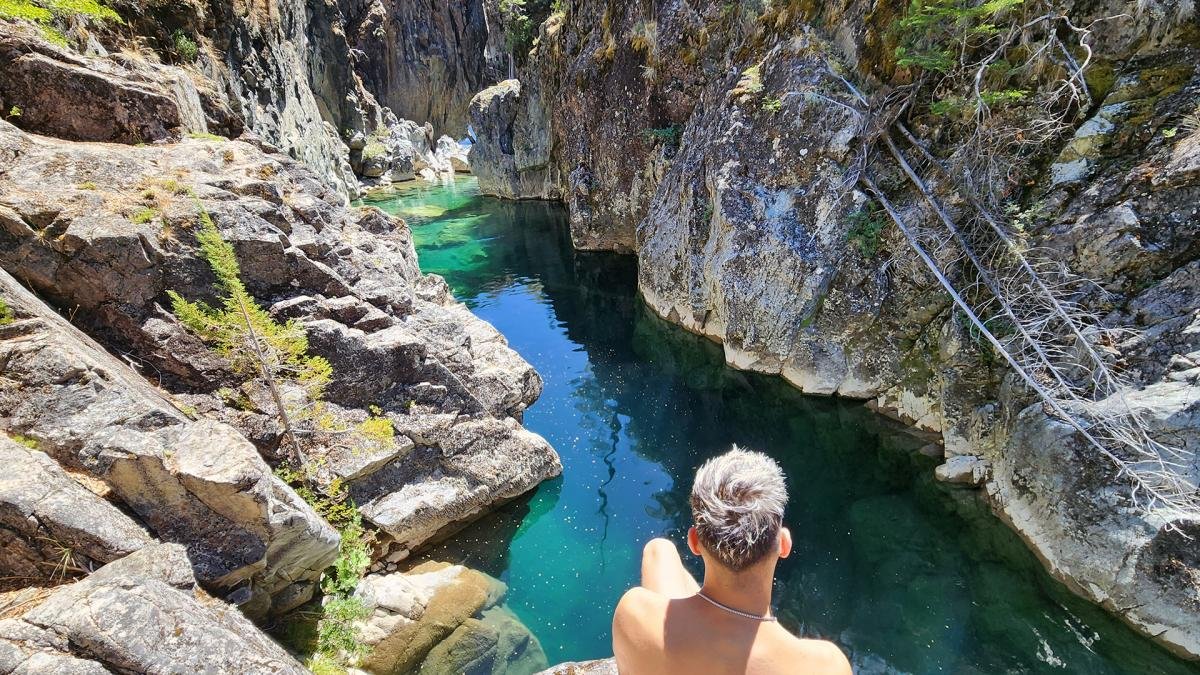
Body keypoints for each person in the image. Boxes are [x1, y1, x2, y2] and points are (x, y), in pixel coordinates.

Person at [612, 447, 852, 674]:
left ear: (695, 542)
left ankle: (706, 607)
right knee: (660, 551)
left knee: (659, 549)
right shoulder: (826, 666)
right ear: (784, 544)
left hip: (682, 642)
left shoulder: (633, 614)